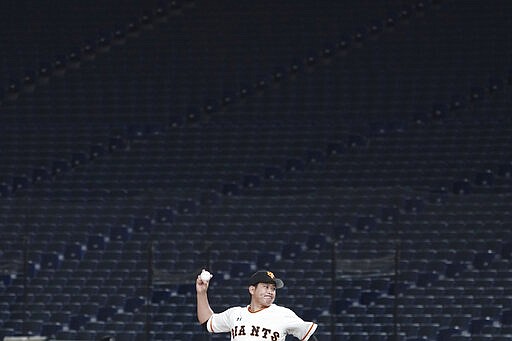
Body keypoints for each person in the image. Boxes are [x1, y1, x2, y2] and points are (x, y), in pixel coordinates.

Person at [196, 270, 318, 340]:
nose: (270, 291)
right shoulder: (235, 314)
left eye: (273, 288)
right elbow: (206, 322)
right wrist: (201, 293)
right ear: (252, 290)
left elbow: (308, 335)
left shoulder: (283, 314)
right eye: (266, 287)